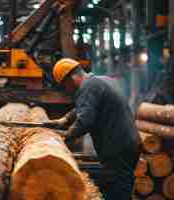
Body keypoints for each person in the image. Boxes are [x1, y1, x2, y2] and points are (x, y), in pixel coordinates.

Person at [45, 58, 141, 200]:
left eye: (65, 86)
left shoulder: (88, 87)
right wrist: (64, 120)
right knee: (118, 185)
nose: (67, 90)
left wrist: (63, 137)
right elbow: (84, 106)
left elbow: (85, 121)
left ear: (70, 79)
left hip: (118, 146)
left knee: (119, 188)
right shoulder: (99, 80)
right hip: (126, 142)